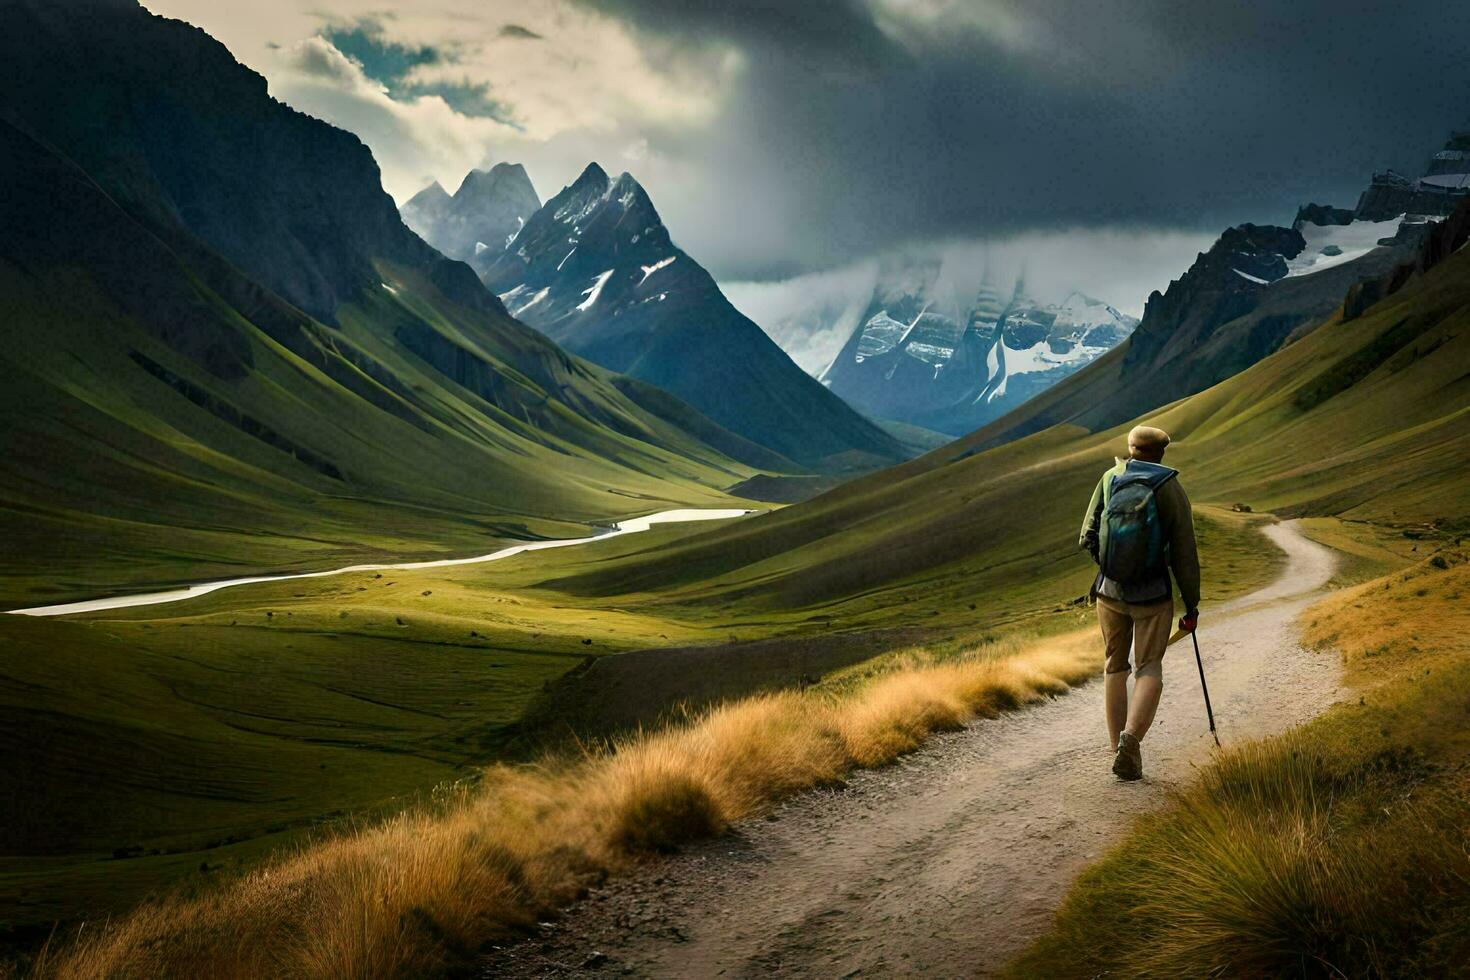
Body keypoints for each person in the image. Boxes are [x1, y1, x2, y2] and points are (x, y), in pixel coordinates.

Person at [1078, 425, 1200, 780]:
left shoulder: (1108, 478)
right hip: (1153, 596)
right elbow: (1184, 553)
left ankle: (1116, 744)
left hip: (1109, 592)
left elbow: (1086, 534)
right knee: (1149, 667)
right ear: (1162, 452)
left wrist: (1111, 569)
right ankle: (1131, 741)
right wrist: (1190, 603)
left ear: (1130, 449)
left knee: (1114, 666)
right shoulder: (1170, 488)